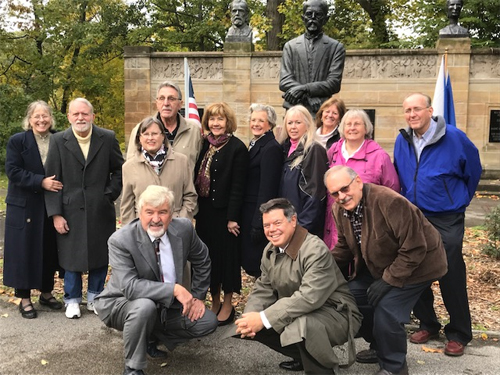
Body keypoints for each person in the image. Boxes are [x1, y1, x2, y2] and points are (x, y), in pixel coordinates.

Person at [325, 166, 448, 375]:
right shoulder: (339, 210)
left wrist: (388, 281)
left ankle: (394, 367)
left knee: (387, 308)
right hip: (382, 266)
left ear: (358, 182)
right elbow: (344, 248)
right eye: (335, 193)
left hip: (419, 266)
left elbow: (415, 248)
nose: (341, 197)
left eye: (344, 189)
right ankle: (380, 346)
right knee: (349, 298)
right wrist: (317, 266)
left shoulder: (389, 202)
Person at [94, 185, 217, 375]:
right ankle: (133, 368)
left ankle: (151, 336)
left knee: (207, 321)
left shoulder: (184, 229)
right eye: (149, 212)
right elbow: (130, 287)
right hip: (121, 302)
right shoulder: (120, 240)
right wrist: (175, 290)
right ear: (140, 212)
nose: (156, 219)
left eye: (163, 212)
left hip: (164, 306)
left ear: (172, 213)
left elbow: (203, 259)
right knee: (144, 307)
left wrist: (198, 297)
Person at [394, 93, 482, 357]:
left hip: (446, 215)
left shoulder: (454, 137)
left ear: (430, 110)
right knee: (413, 266)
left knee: (449, 269)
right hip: (415, 213)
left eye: (416, 109)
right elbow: (400, 170)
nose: (411, 114)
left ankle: (459, 332)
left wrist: (460, 199)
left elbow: (474, 170)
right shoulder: (403, 139)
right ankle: (428, 323)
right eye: (407, 110)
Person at [233, 198, 362, 374]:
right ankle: (305, 356)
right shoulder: (270, 250)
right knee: (255, 326)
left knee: (301, 326)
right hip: (302, 310)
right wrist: (250, 317)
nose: (271, 230)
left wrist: (263, 318)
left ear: (293, 221)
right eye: (266, 225)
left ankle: (323, 369)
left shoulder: (314, 249)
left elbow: (309, 298)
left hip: (337, 313)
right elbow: (263, 287)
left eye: (277, 223)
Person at [45, 98, 123, 319]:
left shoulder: (107, 138)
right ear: (69, 117)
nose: (81, 118)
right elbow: (52, 179)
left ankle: (95, 297)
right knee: (71, 257)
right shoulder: (59, 140)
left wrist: (108, 194)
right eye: (76, 114)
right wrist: (56, 214)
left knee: (100, 255)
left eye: (85, 114)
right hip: (69, 210)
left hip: (100, 208)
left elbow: (119, 170)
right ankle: (72, 299)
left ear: (92, 116)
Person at [3, 101, 63, 319]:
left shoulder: (58, 139)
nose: (41, 120)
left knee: (48, 249)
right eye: (37, 116)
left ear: (51, 118)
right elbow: (13, 171)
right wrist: (41, 182)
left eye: (45, 116)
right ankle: (25, 298)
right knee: (24, 251)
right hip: (24, 206)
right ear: (29, 119)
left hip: (50, 206)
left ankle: (46, 293)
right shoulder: (18, 141)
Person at [194, 102, 248, 325]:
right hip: (205, 214)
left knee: (226, 261)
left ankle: (227, 303)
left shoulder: (237, 148)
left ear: (228, 122)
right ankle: (213, 301)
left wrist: (233, 217)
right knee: (209, 260)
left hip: (226, 216)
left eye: (220, 119)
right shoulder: (204, 145)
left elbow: (238, 186)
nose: (215, 123)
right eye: (212, 119)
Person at [323, 109, 400, 254]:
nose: (352, 128)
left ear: (366, 128)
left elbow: (392, 190)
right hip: (336, 221)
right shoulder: (333, 152)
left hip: (368, 221)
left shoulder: (379, 156)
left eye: (357, 124)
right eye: (348, 124)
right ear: (342, 128)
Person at [120, 116, 197, 225]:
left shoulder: (182, 161)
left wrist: (181, 221)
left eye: (155, 134)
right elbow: (127, 205)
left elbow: (190, 196)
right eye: (146, 134)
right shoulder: (129, 167)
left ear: (162, 136)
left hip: (175, 226)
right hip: (143, 228)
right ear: (139, 138)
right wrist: (133, 232)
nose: (150, 138)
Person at [279, 0, 345, 117]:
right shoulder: (290, 46)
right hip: (295, 110)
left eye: (318, 14)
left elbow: (334, 83)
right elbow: (285, 81)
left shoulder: (335, 47)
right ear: (303, 17)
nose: (313, 18)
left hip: (321, 111)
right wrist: (309, 98)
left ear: (326, 19)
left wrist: (305, 89)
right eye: (309, 14)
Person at [241, 104, 282, 277]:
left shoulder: (271, 148)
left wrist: (259, 222)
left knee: (258, 264)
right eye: (253, 120)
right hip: (248, 210)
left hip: (257, 213)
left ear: (270, 124)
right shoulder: (255, 143)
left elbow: (267, 188)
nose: (256, 124)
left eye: (261, 120)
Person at [126, 81, 202, 171]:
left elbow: (199, 168)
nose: (166, 103)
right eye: (162, 98)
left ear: (180, 104)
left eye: (171, 99)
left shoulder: (194, 130)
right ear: (157, 103)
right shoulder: (140, 130)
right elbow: (130, 167)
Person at [278, 104, 328, 237]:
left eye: (298, 122)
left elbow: (315, 193)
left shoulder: (314, 150)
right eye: (290, 123)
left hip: (303, 226)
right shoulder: (283, 149)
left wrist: (301, 227)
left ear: (307, 124)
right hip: (286, 221)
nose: (293, 127)